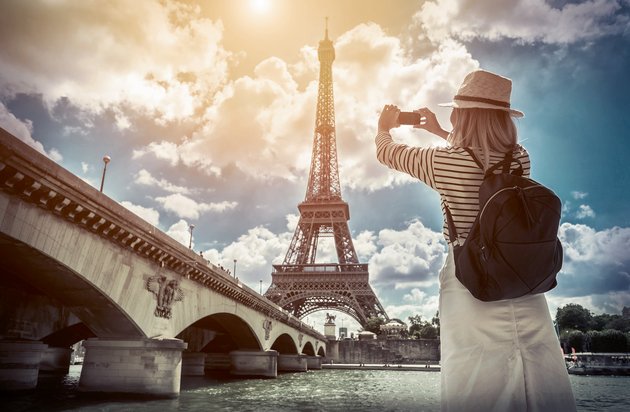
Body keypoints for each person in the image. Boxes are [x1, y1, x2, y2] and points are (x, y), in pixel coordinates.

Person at [375, 69, 576, 412]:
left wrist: (384, 125)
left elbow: (386, 152)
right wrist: (439, 131)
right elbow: (484, 158)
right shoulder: (520, 159)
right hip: (523, 280)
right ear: (503, 118)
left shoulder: (442, 163)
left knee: (476, 375)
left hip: (471, 281)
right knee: (537, 371)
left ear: (461, 114)